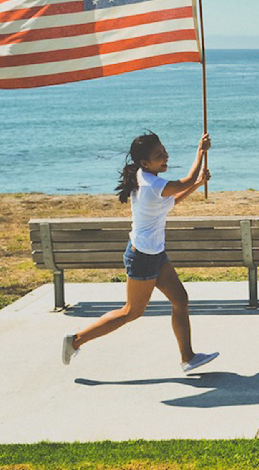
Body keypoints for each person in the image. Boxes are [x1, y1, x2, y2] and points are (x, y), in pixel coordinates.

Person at [61, 131, 219, 373]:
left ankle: (188, 357)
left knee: (180, 300)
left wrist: (197, 184)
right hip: (142, 258)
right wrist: (200, 152)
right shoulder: (151, 184)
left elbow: (172, 200)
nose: (165, 156)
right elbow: (184, 181)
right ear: (145, 163)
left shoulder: (146, 177)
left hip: (155, 254)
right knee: (130, 312)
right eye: (159, 155)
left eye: (164, 151)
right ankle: (75, 340)